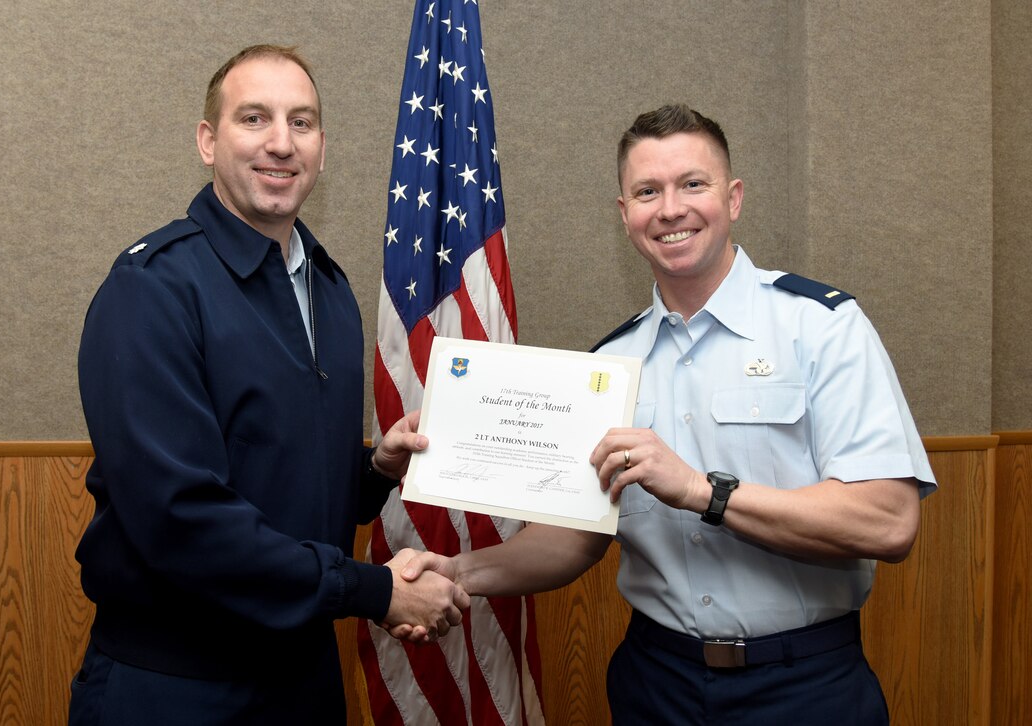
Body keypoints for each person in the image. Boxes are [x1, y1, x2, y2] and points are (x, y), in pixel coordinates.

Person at [397, 103, 937, 724]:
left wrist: (702, 491)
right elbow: (575, 538)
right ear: (624, 214)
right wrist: (459, 570)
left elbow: (889, 523)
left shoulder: (822, 330)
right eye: (647, 191)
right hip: (657, 685)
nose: (671, 208)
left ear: (732, 198)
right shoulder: (609, 365)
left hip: (805, 685)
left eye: (693, 184)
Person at [68, 44, 468, 726]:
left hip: (303, 679)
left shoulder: (330, 290)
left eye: (302, 122)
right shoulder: (154, 288)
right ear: (207, 141)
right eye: (254, 118)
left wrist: (373, 468)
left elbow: (274, 467)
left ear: (322, 146)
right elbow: (180, 518)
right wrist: (372, 591)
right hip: (176, 686)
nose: (281, 143)